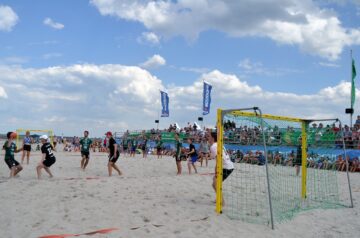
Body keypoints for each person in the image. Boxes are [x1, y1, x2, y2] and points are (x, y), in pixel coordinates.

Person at [209, 131, 234, 204]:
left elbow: (218, 159)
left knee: (216, 184)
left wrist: (216, 170)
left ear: (212, 138)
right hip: (229, 166)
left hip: (226, 167)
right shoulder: (218, 144)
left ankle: (222, 201)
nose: (208, 138)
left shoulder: (213, 146)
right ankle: (219, 198)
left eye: (209, 136)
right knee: (214, 183)